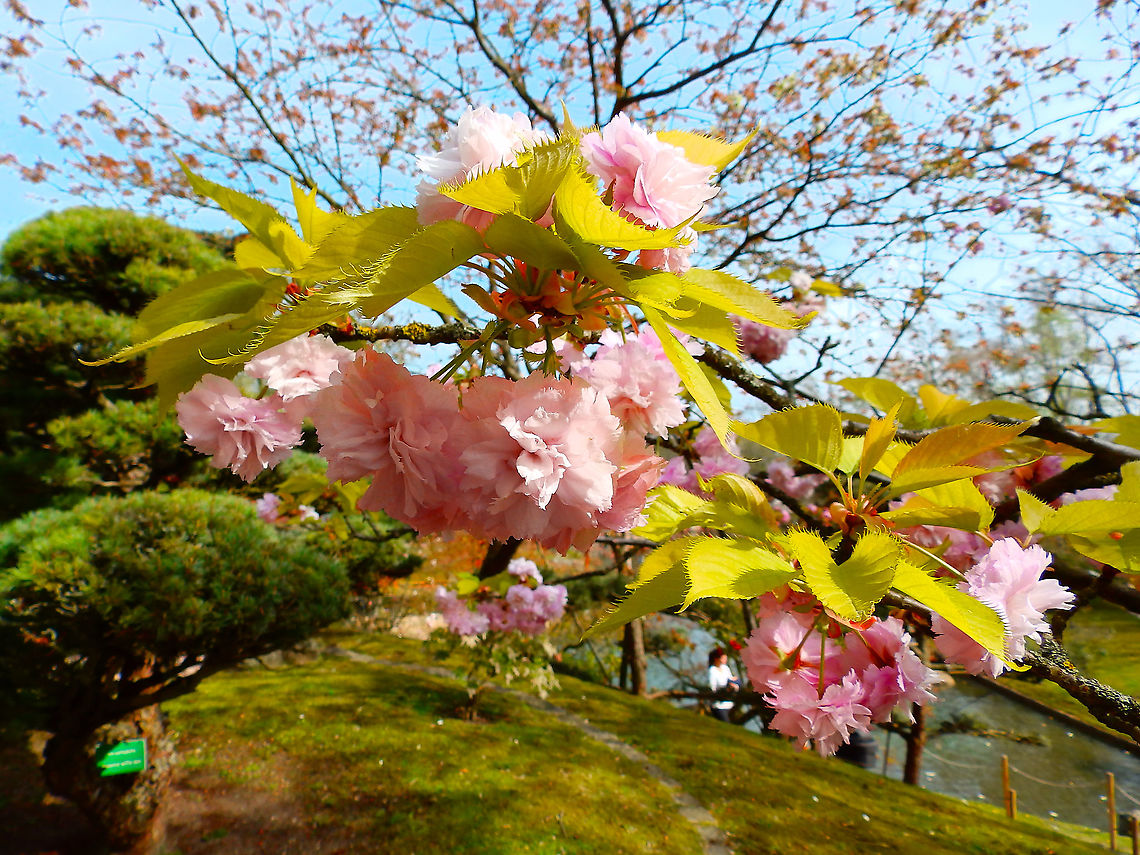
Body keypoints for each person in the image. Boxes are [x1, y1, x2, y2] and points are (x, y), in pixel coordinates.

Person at [707, 647, 739, 723]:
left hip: (730, 703)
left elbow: (730, 679)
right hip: (719, 705)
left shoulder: (725, 668)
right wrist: (725, 688)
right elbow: (712, 687)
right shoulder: (712, 670)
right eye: (723, 657)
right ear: (716, 659)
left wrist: (734, 682)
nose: (725, 658)